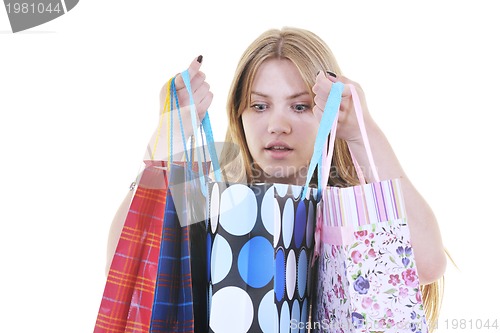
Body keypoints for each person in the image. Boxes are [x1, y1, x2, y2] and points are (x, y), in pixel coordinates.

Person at [106, 26, 447, 329]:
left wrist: (362, 133)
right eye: (259, 106)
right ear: (238, 114)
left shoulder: (352, 213)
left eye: (299, 106)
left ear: (329, 113)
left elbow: (428, 263)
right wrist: (167, 140)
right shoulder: (217, 203)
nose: (277, 125)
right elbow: (128, 265)